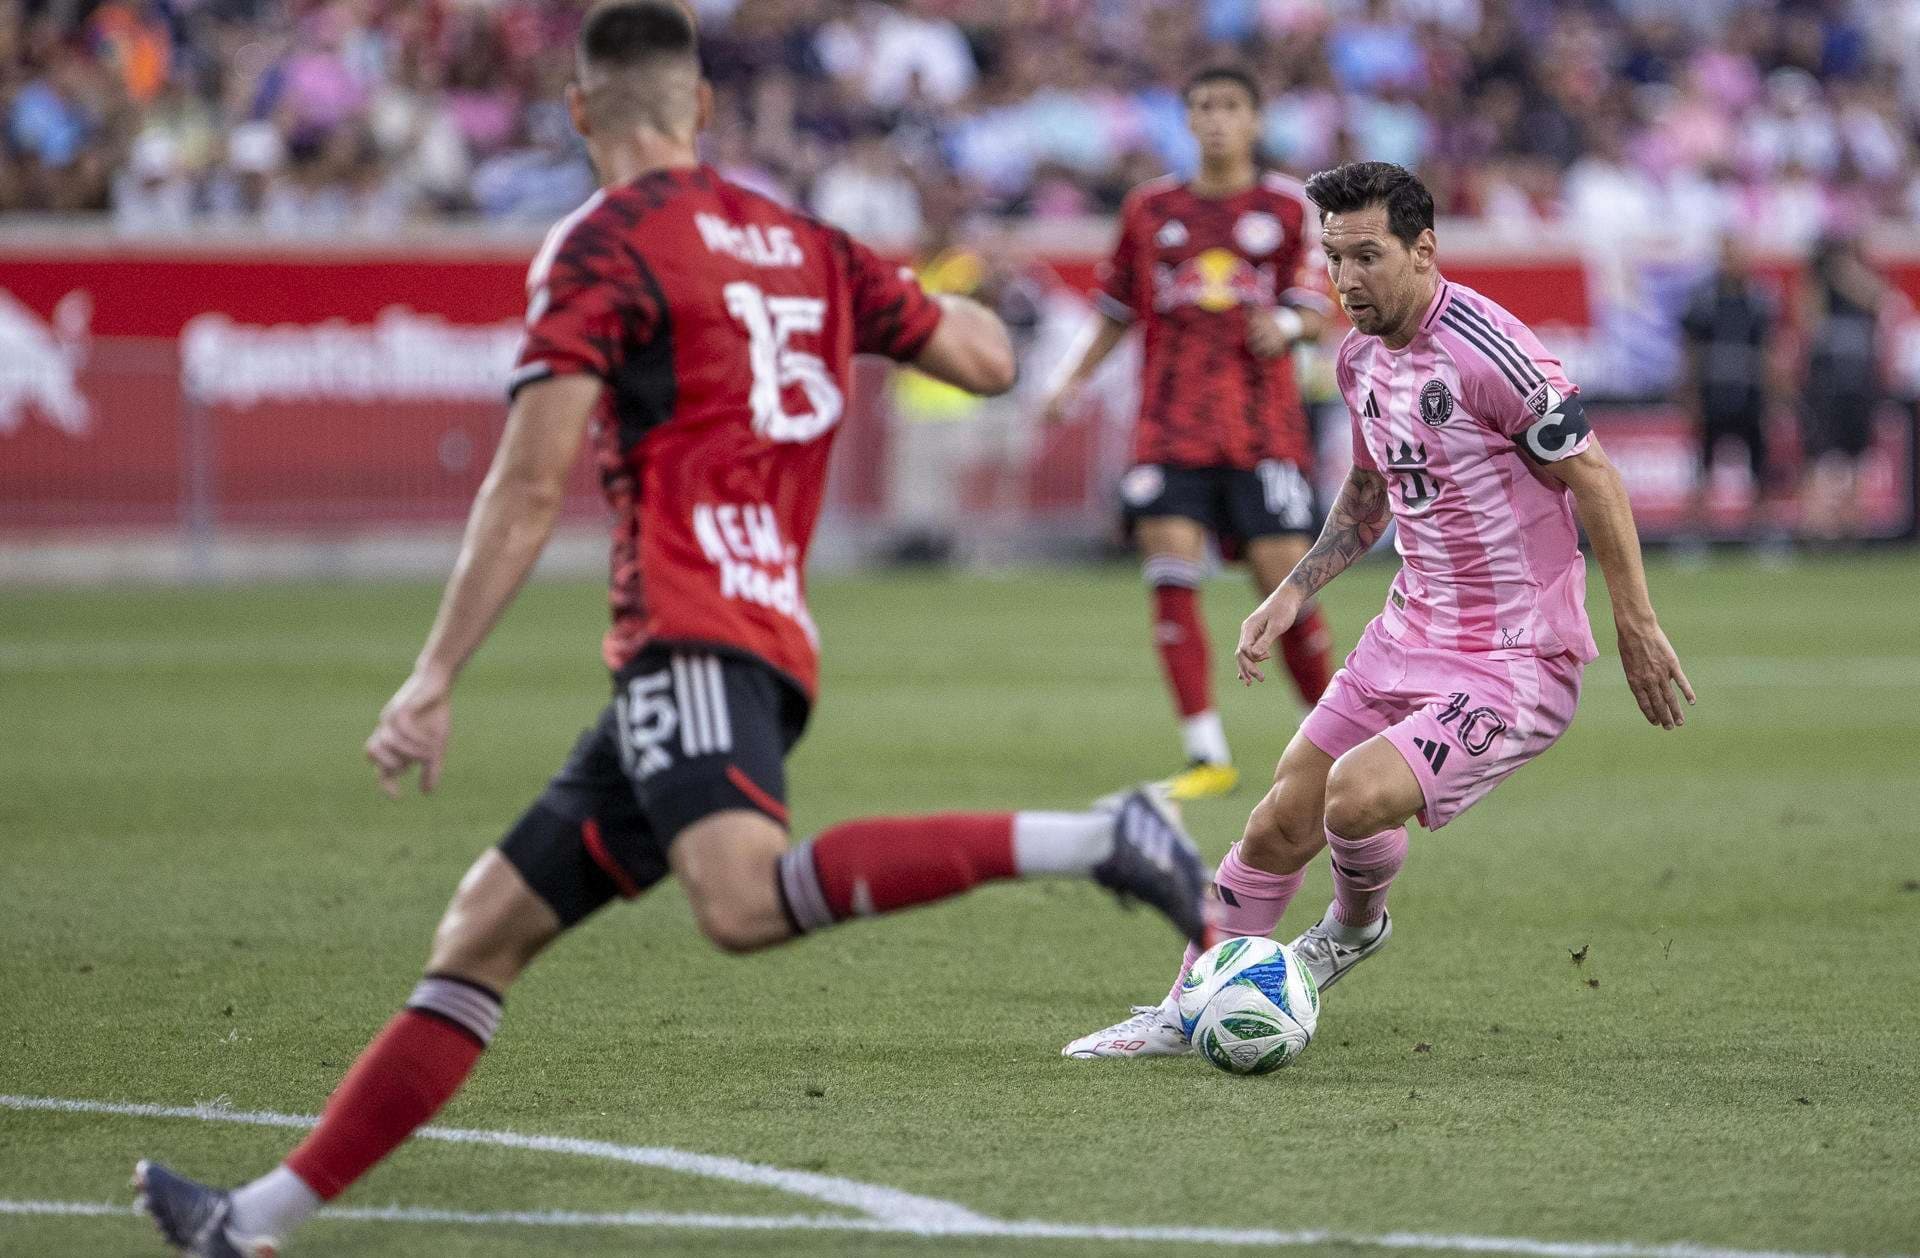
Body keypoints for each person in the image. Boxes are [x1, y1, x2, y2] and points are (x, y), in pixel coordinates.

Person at [133, 7, 1215, 1254]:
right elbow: (982, 357)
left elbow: (531, 484)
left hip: (691, 628)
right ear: (703, 111)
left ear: (583, 112)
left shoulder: (601, 246)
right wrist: (898, 298)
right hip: (759, 627)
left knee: (740, 901)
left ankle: (1099, 835)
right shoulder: (807, 242)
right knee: (483, 931)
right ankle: (251, 1220)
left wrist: (434, 675)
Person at [1063, 161, 1694, 1061]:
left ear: (1423, 249)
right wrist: (1291, 590)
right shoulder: (1358, 356)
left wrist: (1635, 626)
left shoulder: (1492, 350)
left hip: (1513, 660)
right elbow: (1370, 489)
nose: (1346, 280)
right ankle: (1185, 1004)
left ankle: (1350, 930)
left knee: (1354, 800)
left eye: (1367, 256)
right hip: (1406, 633)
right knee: (1280, 818)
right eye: (1332, 258)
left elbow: (1593, 474)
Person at [1040, 65, 1335, 803]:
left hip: (1260, 429)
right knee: (1170, 566)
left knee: (1283, 579)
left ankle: (1340, 743)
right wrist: (1072, 380)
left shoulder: (1287, 206)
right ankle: (1207, 754)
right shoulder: (1149, 209)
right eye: (1202, 107)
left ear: (1256, 121)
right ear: (1186, 119)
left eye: (1231, 106)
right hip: (1168, 428)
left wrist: (1291, 324)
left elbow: (1317, 303)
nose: (1215, 120)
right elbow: (1116, 309)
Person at [1678, 235, 1777, 536]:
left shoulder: (1760, 300)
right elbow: (1691, 351)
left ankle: (1759, 535)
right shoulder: (1703, 299)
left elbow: (1769, 350)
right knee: (1703, 466)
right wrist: (1689, 393)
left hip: (1750, 393)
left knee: (1758, 466)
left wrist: (1773, 394)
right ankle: (1695, 535)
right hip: (1712, 392)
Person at [1798, 234, 1889, 541]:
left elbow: (1880, 299)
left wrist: (1848, 274)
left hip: (1859, 383)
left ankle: (1853, 525)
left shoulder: (1862, 284)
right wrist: (1825, 277)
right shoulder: (1816, 286)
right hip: (1826, 384)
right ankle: (1816, 526)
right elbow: (1807, 320)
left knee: (1857, 454)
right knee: (1819, 453)